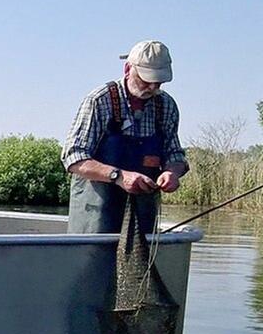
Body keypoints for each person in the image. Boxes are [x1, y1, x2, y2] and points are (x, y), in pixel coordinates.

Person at [61, 40, 189, 234]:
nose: (153, 87)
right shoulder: (99, 100)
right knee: (92, 264)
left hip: (143, 217)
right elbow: (73, 157)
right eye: (146, 80)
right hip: (95, 217)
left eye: (159, 82)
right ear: (128, 69)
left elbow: (175, 154)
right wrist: (118, 176)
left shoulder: (166, 106)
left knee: (140, 264)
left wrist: (172, 172)